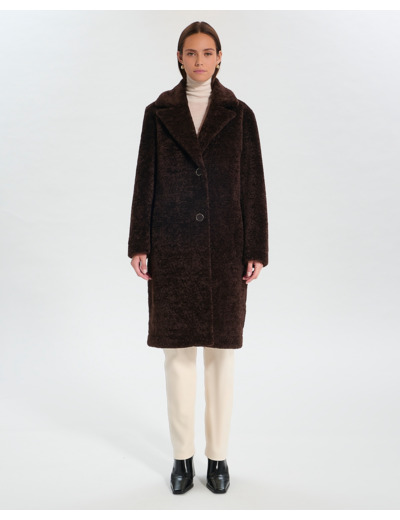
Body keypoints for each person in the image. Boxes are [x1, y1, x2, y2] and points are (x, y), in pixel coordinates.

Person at [128, 21, 268, 495]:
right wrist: (140, 242)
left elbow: (253, 185)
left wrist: (256, 248)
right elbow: (144, 179)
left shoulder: (240, 115)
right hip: (172, 246)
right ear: (179, 57)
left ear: (220, 57)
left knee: (222, 358)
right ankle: (182, 458)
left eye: (208, 52)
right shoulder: (158, 113)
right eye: (192, 53)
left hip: (226, 247)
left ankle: (219, 457)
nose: (200, 60)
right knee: (178, 357)